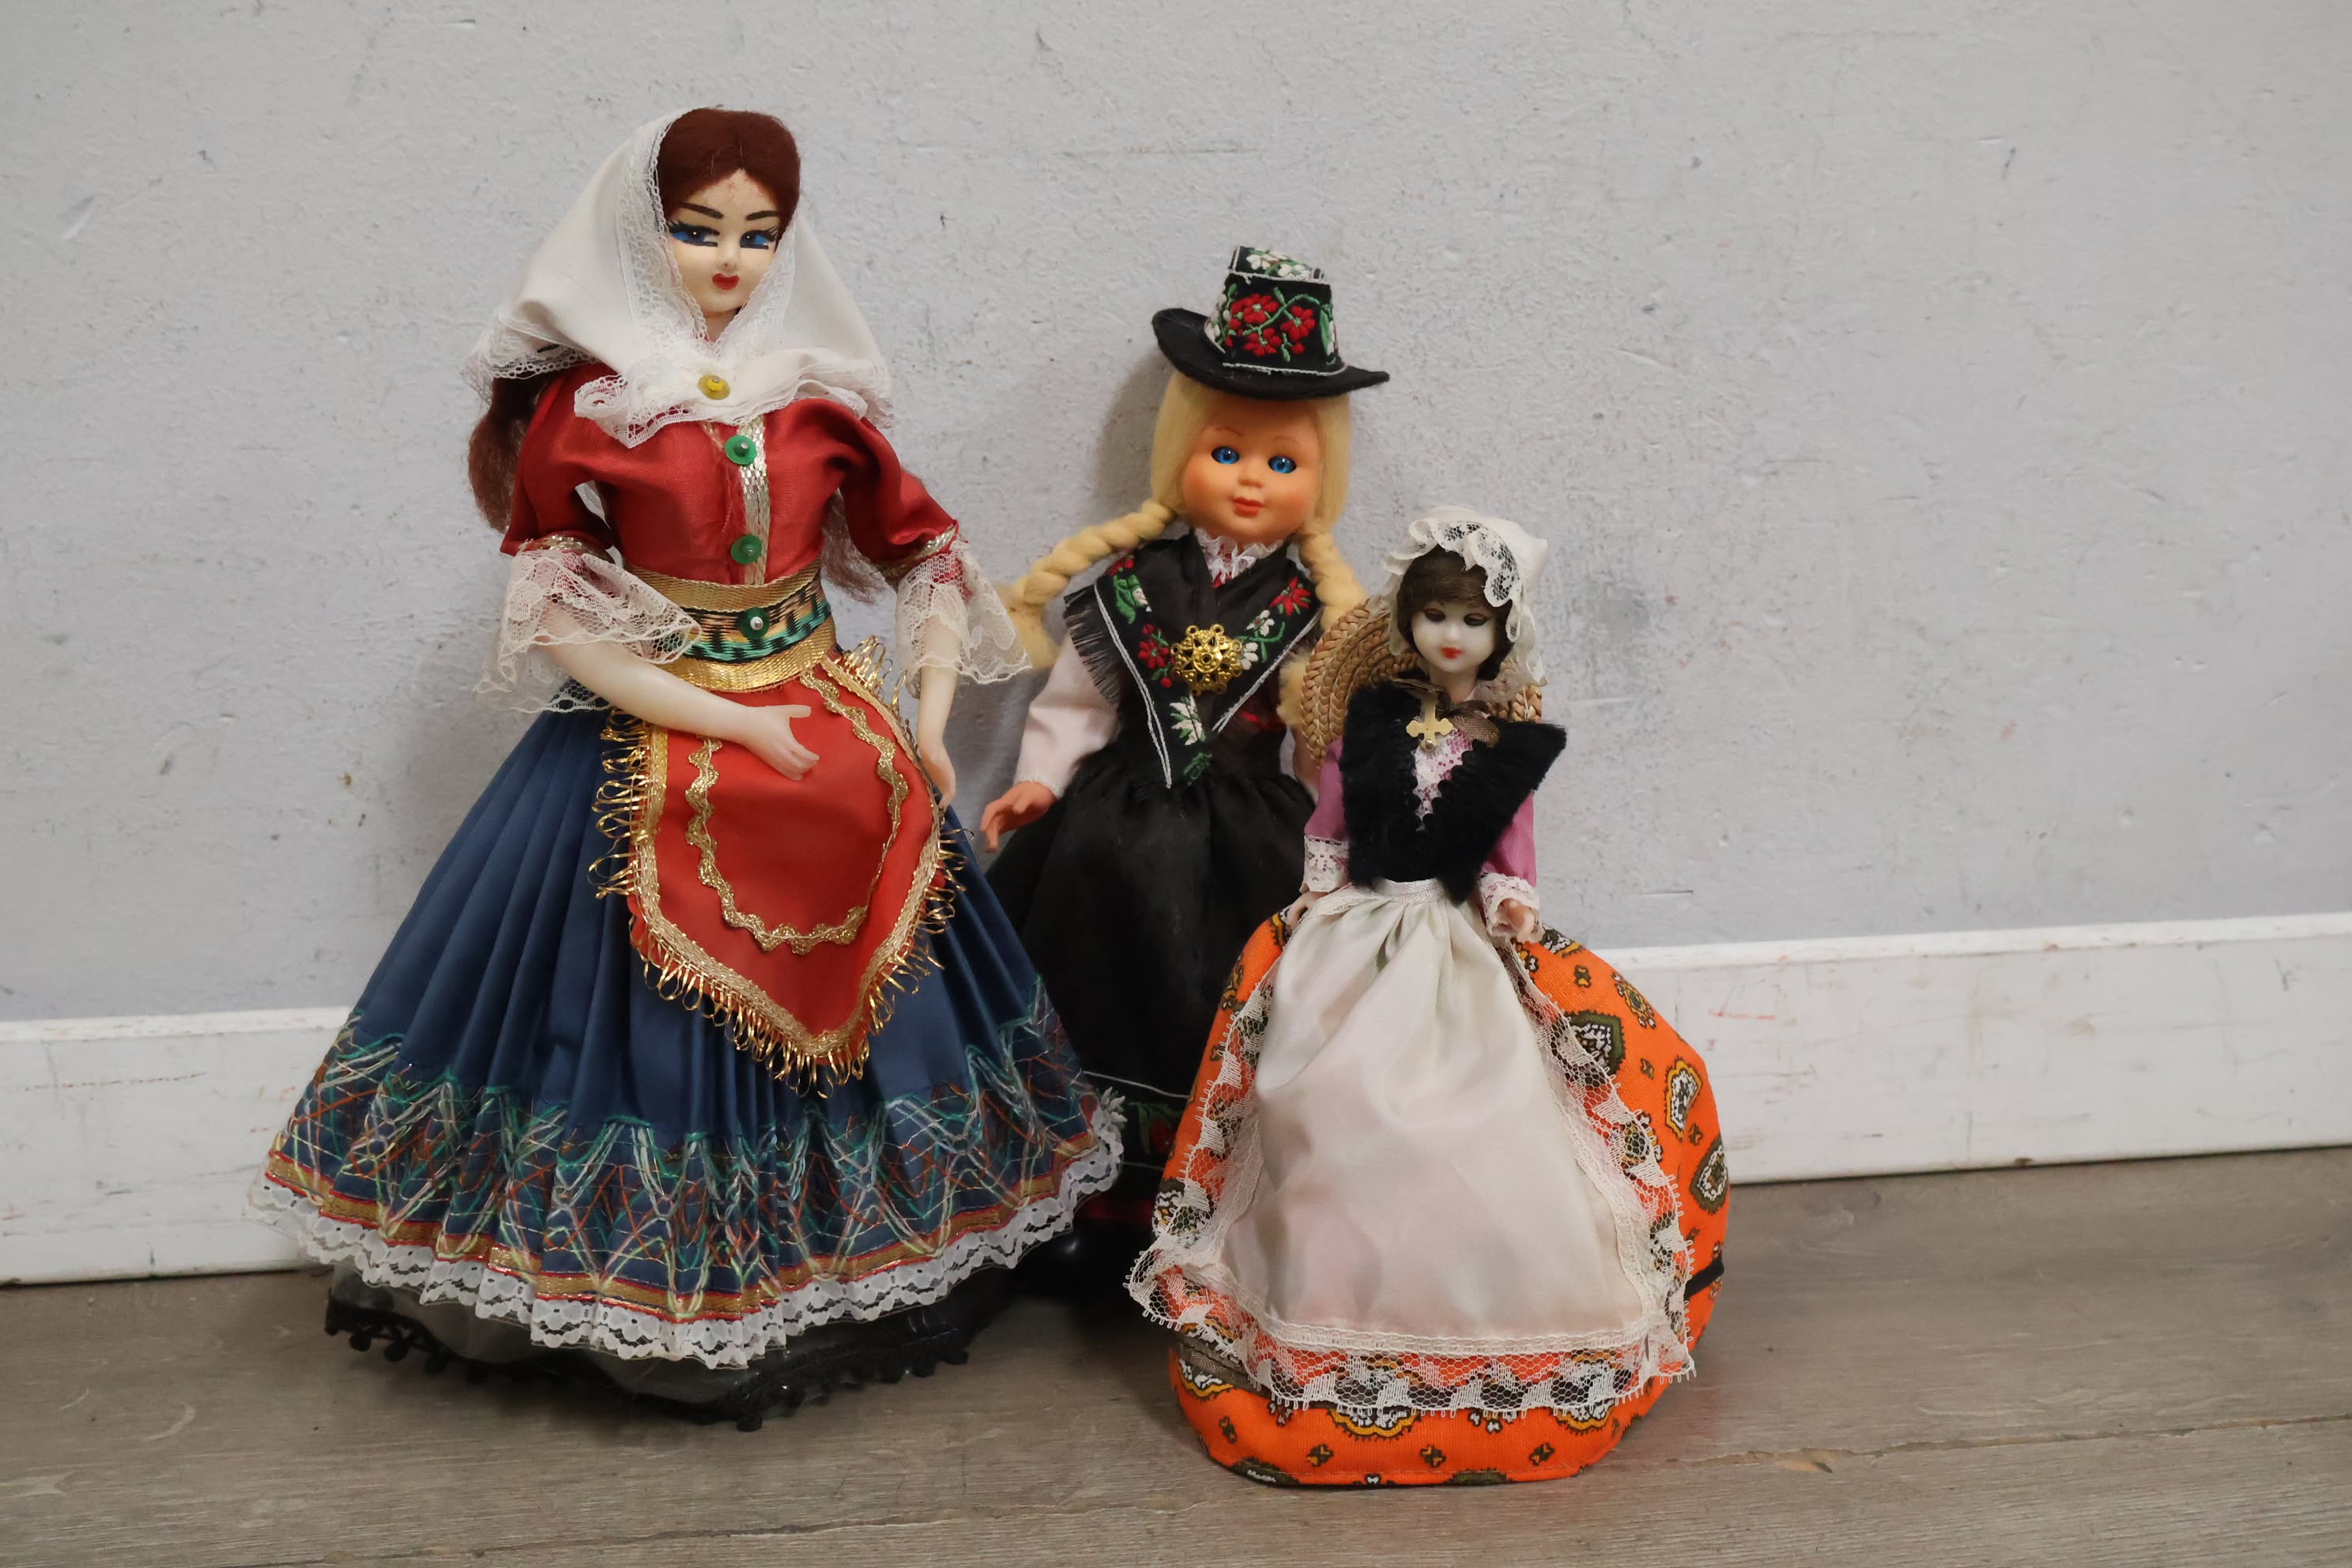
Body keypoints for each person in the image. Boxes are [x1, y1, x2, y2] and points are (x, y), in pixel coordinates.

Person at [251, 108, 1116, 1427]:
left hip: (832, 729)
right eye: (699, 228)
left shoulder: (817, 397)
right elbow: (559, 611)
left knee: (887, 974)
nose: (730, 259)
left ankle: (849, 1249)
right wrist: (723, 718)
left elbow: (928, 556)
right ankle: (651, 1283)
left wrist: (934, 718)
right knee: (613, 998)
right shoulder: (594, 408)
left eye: (759, 234)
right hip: (651, 727)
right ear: (639, 234)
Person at [1128, 507, 1730, 1484]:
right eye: (1436, 615)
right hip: (1358, 929)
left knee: (1497, 1110)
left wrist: (1510, 904)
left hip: (1455, 943)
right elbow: (1329, 821)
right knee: (1328, 1095)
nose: (1452, 635)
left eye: (1473, 620)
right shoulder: (1368, 723)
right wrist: (1318, 893)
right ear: (1406, 621)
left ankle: (1493, 1325)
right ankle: (1318, 1322)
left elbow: (1511, 856)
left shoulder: (1509, 746)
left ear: (1502, 634)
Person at [979, 249, 1386, 1292]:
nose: (1251, 478)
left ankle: (1205, 1202)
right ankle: (1084, 1200)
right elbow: (1078, 702)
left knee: (1230, 992)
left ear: (1322, 481)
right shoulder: (1130, 585)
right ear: (1180, 453)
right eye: (1227, 451)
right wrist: (1039, 780)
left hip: (1249, 833)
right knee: (1089, 981)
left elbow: (1320, 743)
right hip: (1108, 826)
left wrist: (1346, 833)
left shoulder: (1314, 614)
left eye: (1283, 463)